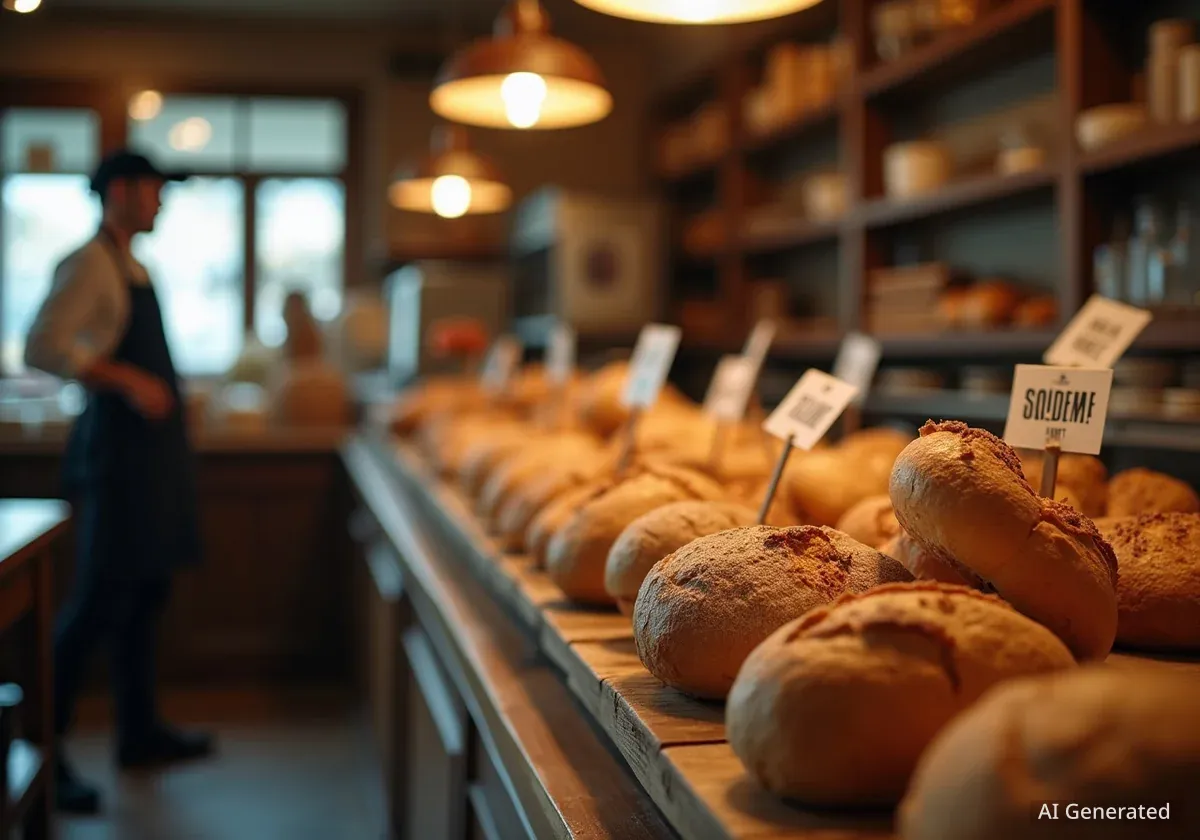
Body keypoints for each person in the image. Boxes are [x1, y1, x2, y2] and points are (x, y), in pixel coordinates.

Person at [24, 150, 214, 814]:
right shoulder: (89, 263)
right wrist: (127, 379)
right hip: (116, 461)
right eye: (156, 191)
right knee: (94, 606)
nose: (160, 203)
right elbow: (41, 345)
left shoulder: (132, 265)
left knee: (144, 597)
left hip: (151, 462)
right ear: (124, 192)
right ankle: (42, 754)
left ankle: (139, 732)